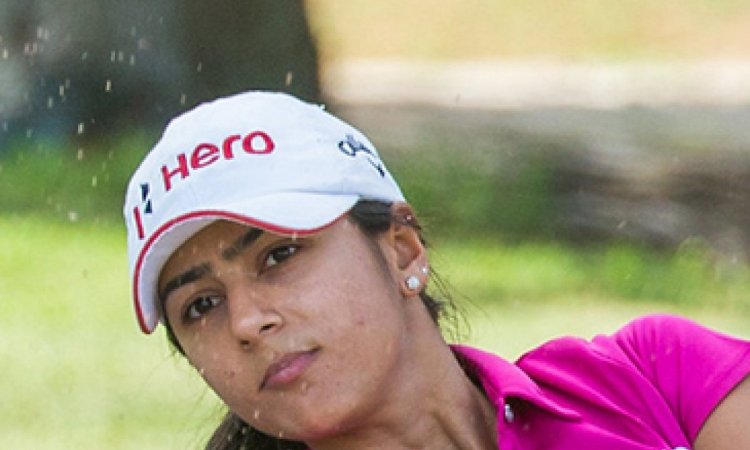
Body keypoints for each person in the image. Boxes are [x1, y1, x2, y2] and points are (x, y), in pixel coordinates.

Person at [124, 91, 750, 450]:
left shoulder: (654, 376)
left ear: (402, 249)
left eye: (279, 255)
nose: (246, 321)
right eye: (200, 306)